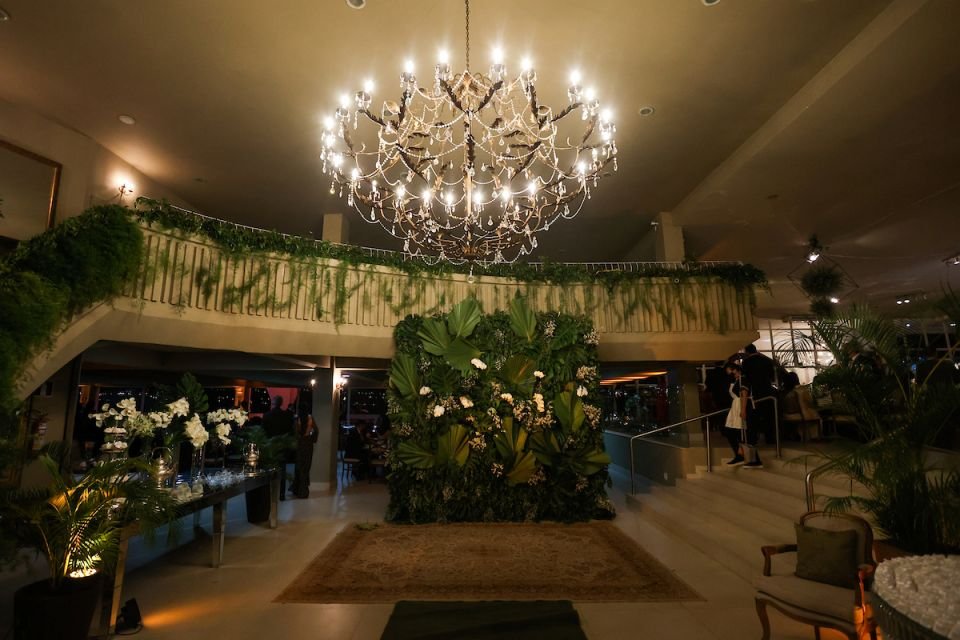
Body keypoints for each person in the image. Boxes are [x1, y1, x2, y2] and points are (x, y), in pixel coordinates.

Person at [741, 344, 775, 468]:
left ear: (746, 352)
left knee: (753, 420)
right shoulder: (766, 360)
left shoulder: (746, 363)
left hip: (754, 394)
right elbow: (771, 376)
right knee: (769, 415)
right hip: (767, 391)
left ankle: (753, 441)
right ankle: (771, 437)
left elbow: (746, 381)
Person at [262, 395, 295, 499]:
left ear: (273, 403)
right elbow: (290, 431)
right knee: (282, 470)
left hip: (270, 446)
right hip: (282, 446)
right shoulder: (286, 416)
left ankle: (270, 493)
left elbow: (263, 432)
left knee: (269, 470)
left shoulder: (267, 415)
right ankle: (281, 494)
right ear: (281, 403)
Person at [723, 363, 746, 465]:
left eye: (730, 371)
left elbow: (744, 395)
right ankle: (739, 454)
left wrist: (743, 409)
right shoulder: (736, 380)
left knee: (737, 431)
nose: (730, 374)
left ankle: (741, 454)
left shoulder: (743, 380)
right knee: (731, 431)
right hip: (735, 406)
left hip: (739, 406)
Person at [292, 412, 318, 498]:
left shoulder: (297, 418)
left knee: (299, 467)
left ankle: (297, 489)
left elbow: (294, 432)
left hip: (299, 444)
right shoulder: (310, 418)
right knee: (306, 467)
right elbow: (316, 430)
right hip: (308, 443)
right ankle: (303, 491)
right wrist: (312, 439)